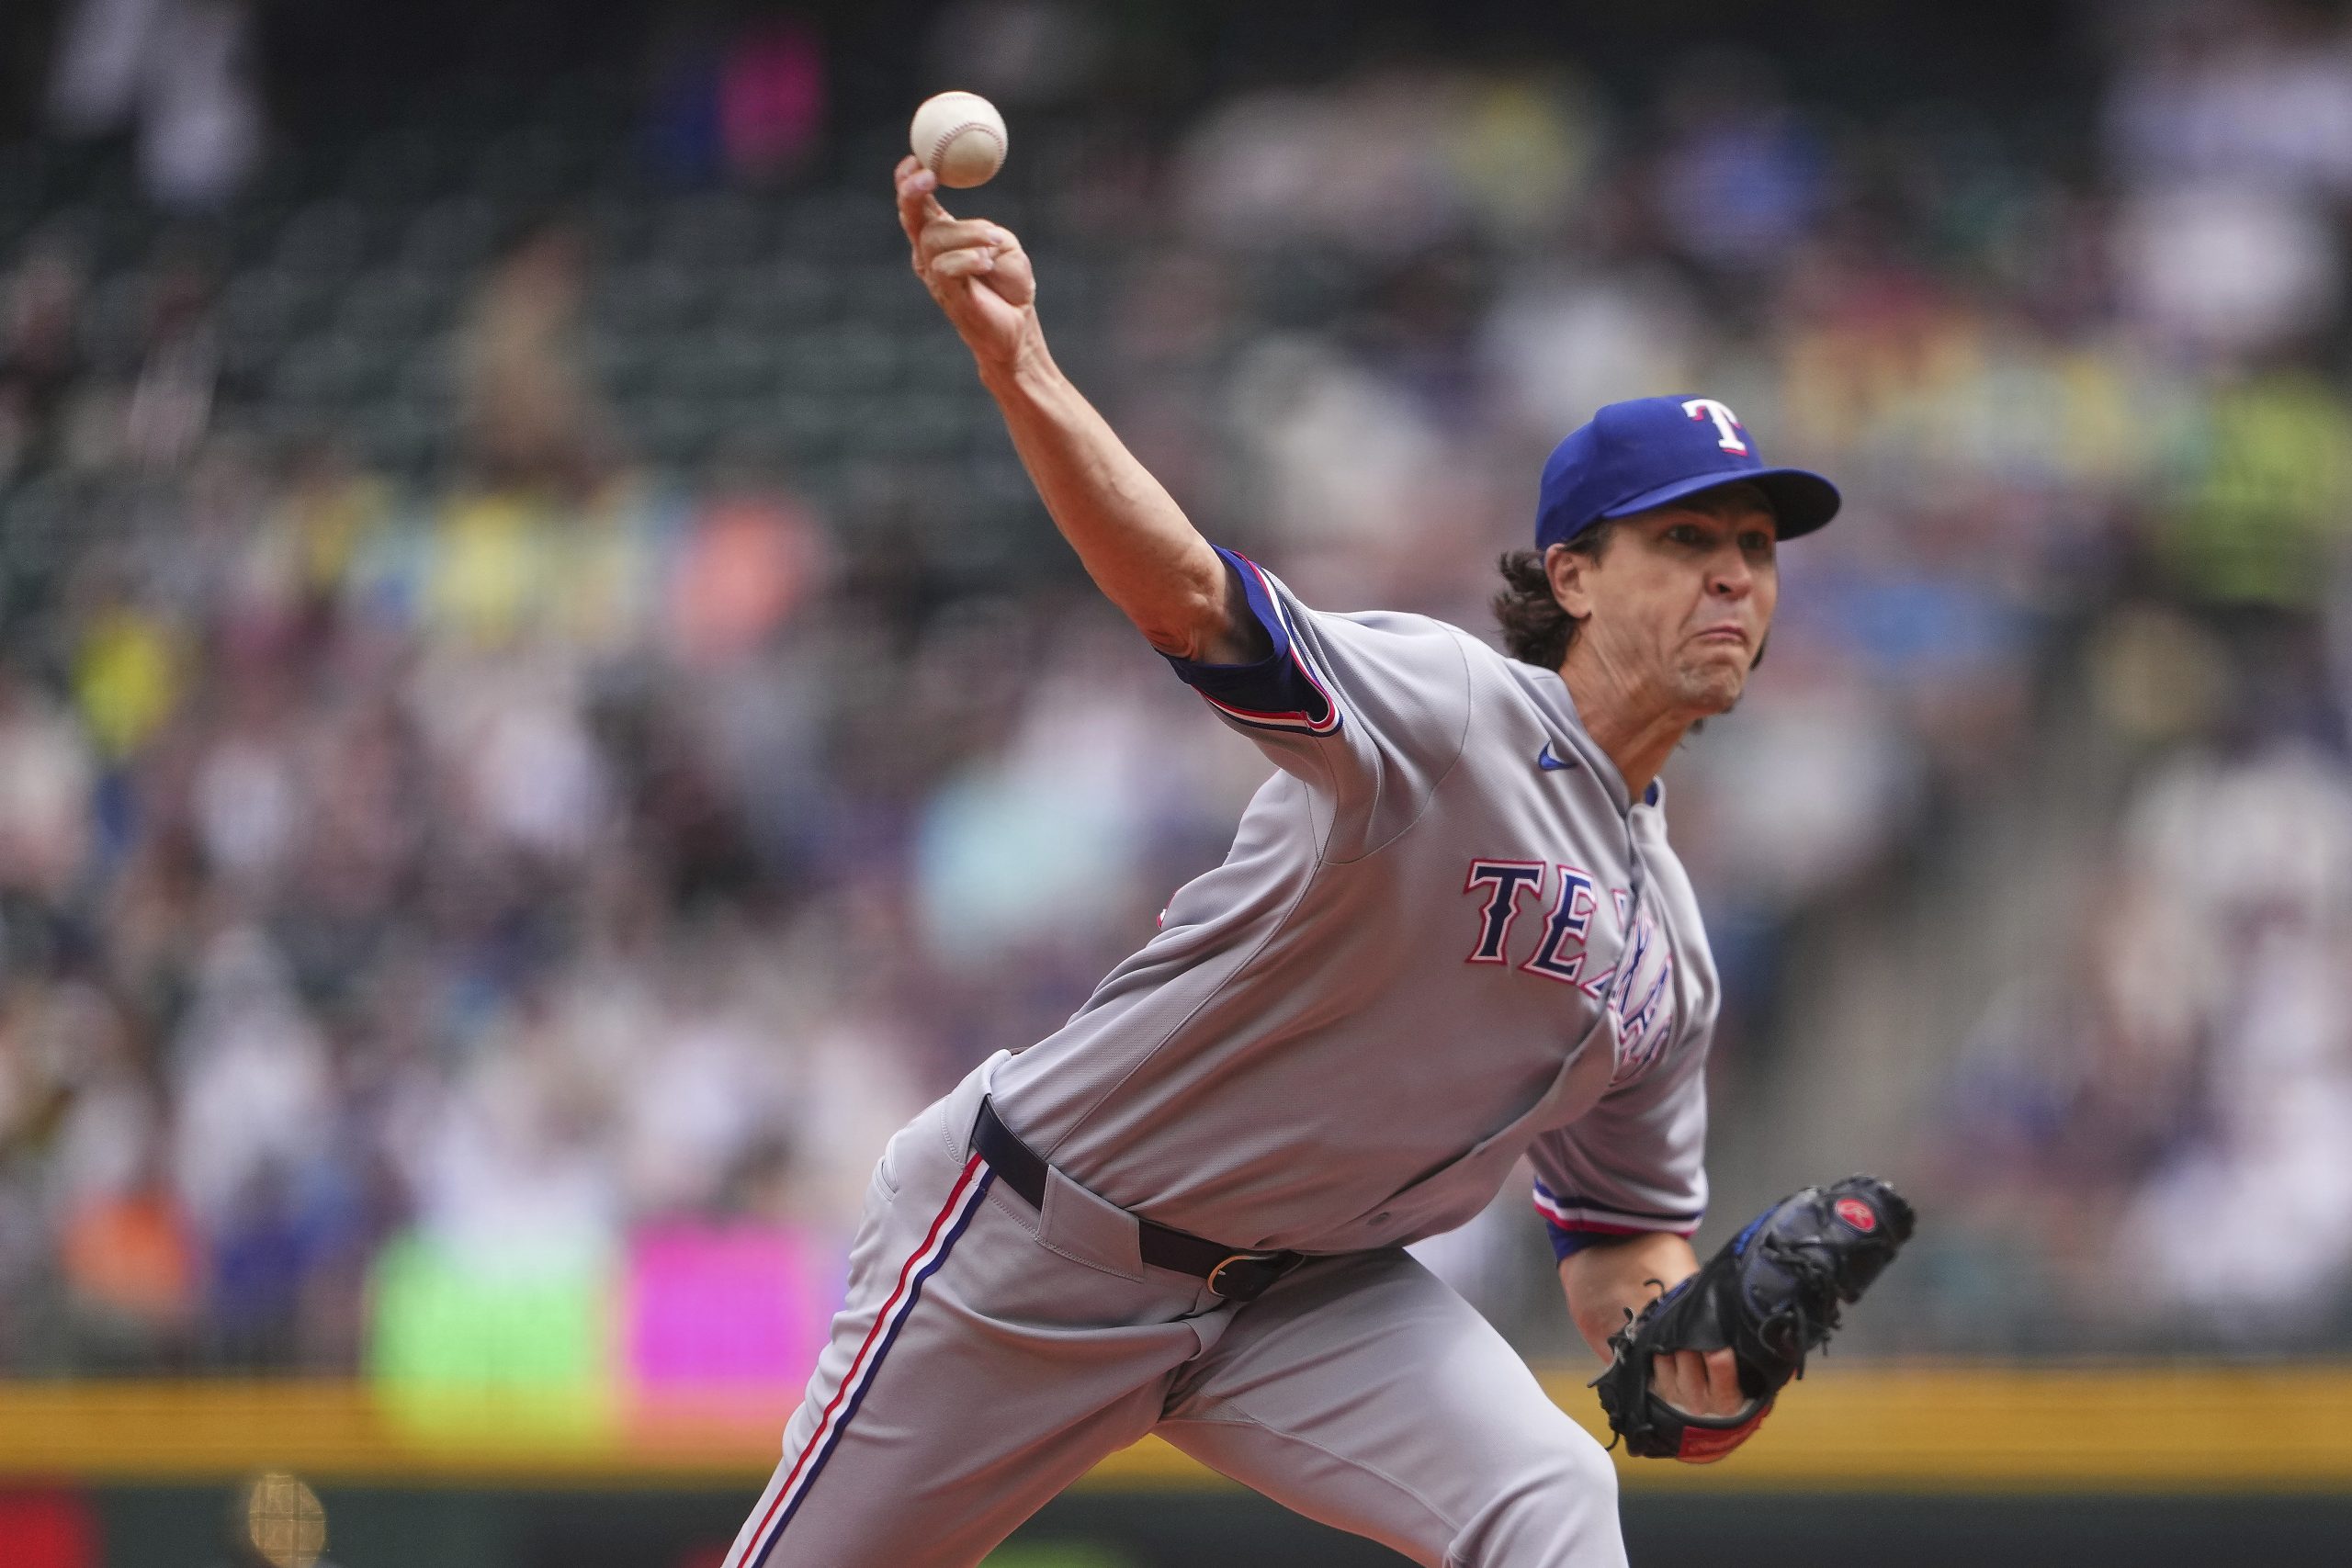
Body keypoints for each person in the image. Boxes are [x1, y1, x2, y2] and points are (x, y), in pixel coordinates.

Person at [720, 157, 1844, 1568]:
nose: (1737, 574)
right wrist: (1025, 370)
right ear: (1572, 575)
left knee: (1551, 1493)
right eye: (1686, 539)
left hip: (1310, 1303)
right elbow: (1193, 601)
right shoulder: (1452, 713)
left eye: (1756, 546)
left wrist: (1696, 1347)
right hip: (1044, 1249)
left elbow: (1618, 1237)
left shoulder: (1672, 949)